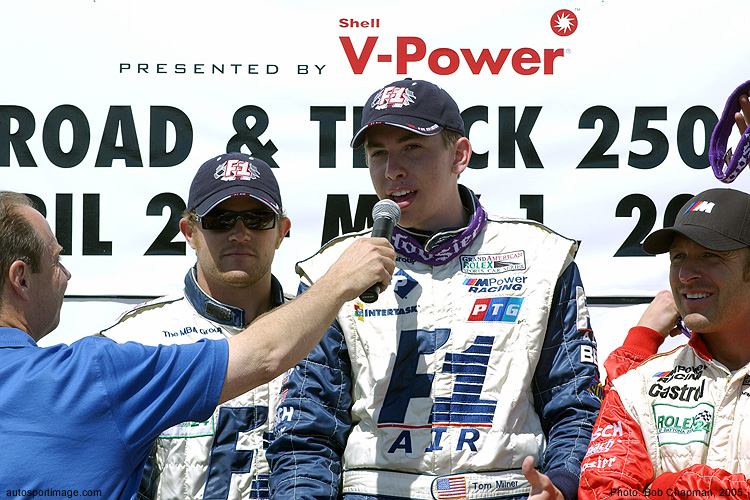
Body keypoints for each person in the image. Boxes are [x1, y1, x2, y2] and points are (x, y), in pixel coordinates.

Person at [267, 79, 602, 500]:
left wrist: (564, 486)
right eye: (378, 153)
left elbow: (576, 404)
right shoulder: (331, 272)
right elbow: (304, 433)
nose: (392, 170)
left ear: (459, 155)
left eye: (412, 148)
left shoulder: (542, 259)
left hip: (507, 491)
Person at [0, 190, 395, 499]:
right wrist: (338, 280)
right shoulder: (95, 372)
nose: (67, 275)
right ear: (21, 278)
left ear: (282, 230)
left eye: (257, 219)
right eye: (56, 260)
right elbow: (265, 353)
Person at [99, 153, 291, 499]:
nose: (240, 234)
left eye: (257, 218)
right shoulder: (135, 338)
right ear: (190, 232)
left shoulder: (323, 332)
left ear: (282, 231)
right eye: (220, 219)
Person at [579, 187, 750, 500]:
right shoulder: (636, 386)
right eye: (678, 257)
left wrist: (668, 489)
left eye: (710, 255)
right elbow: (601, 490)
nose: (685, 274)